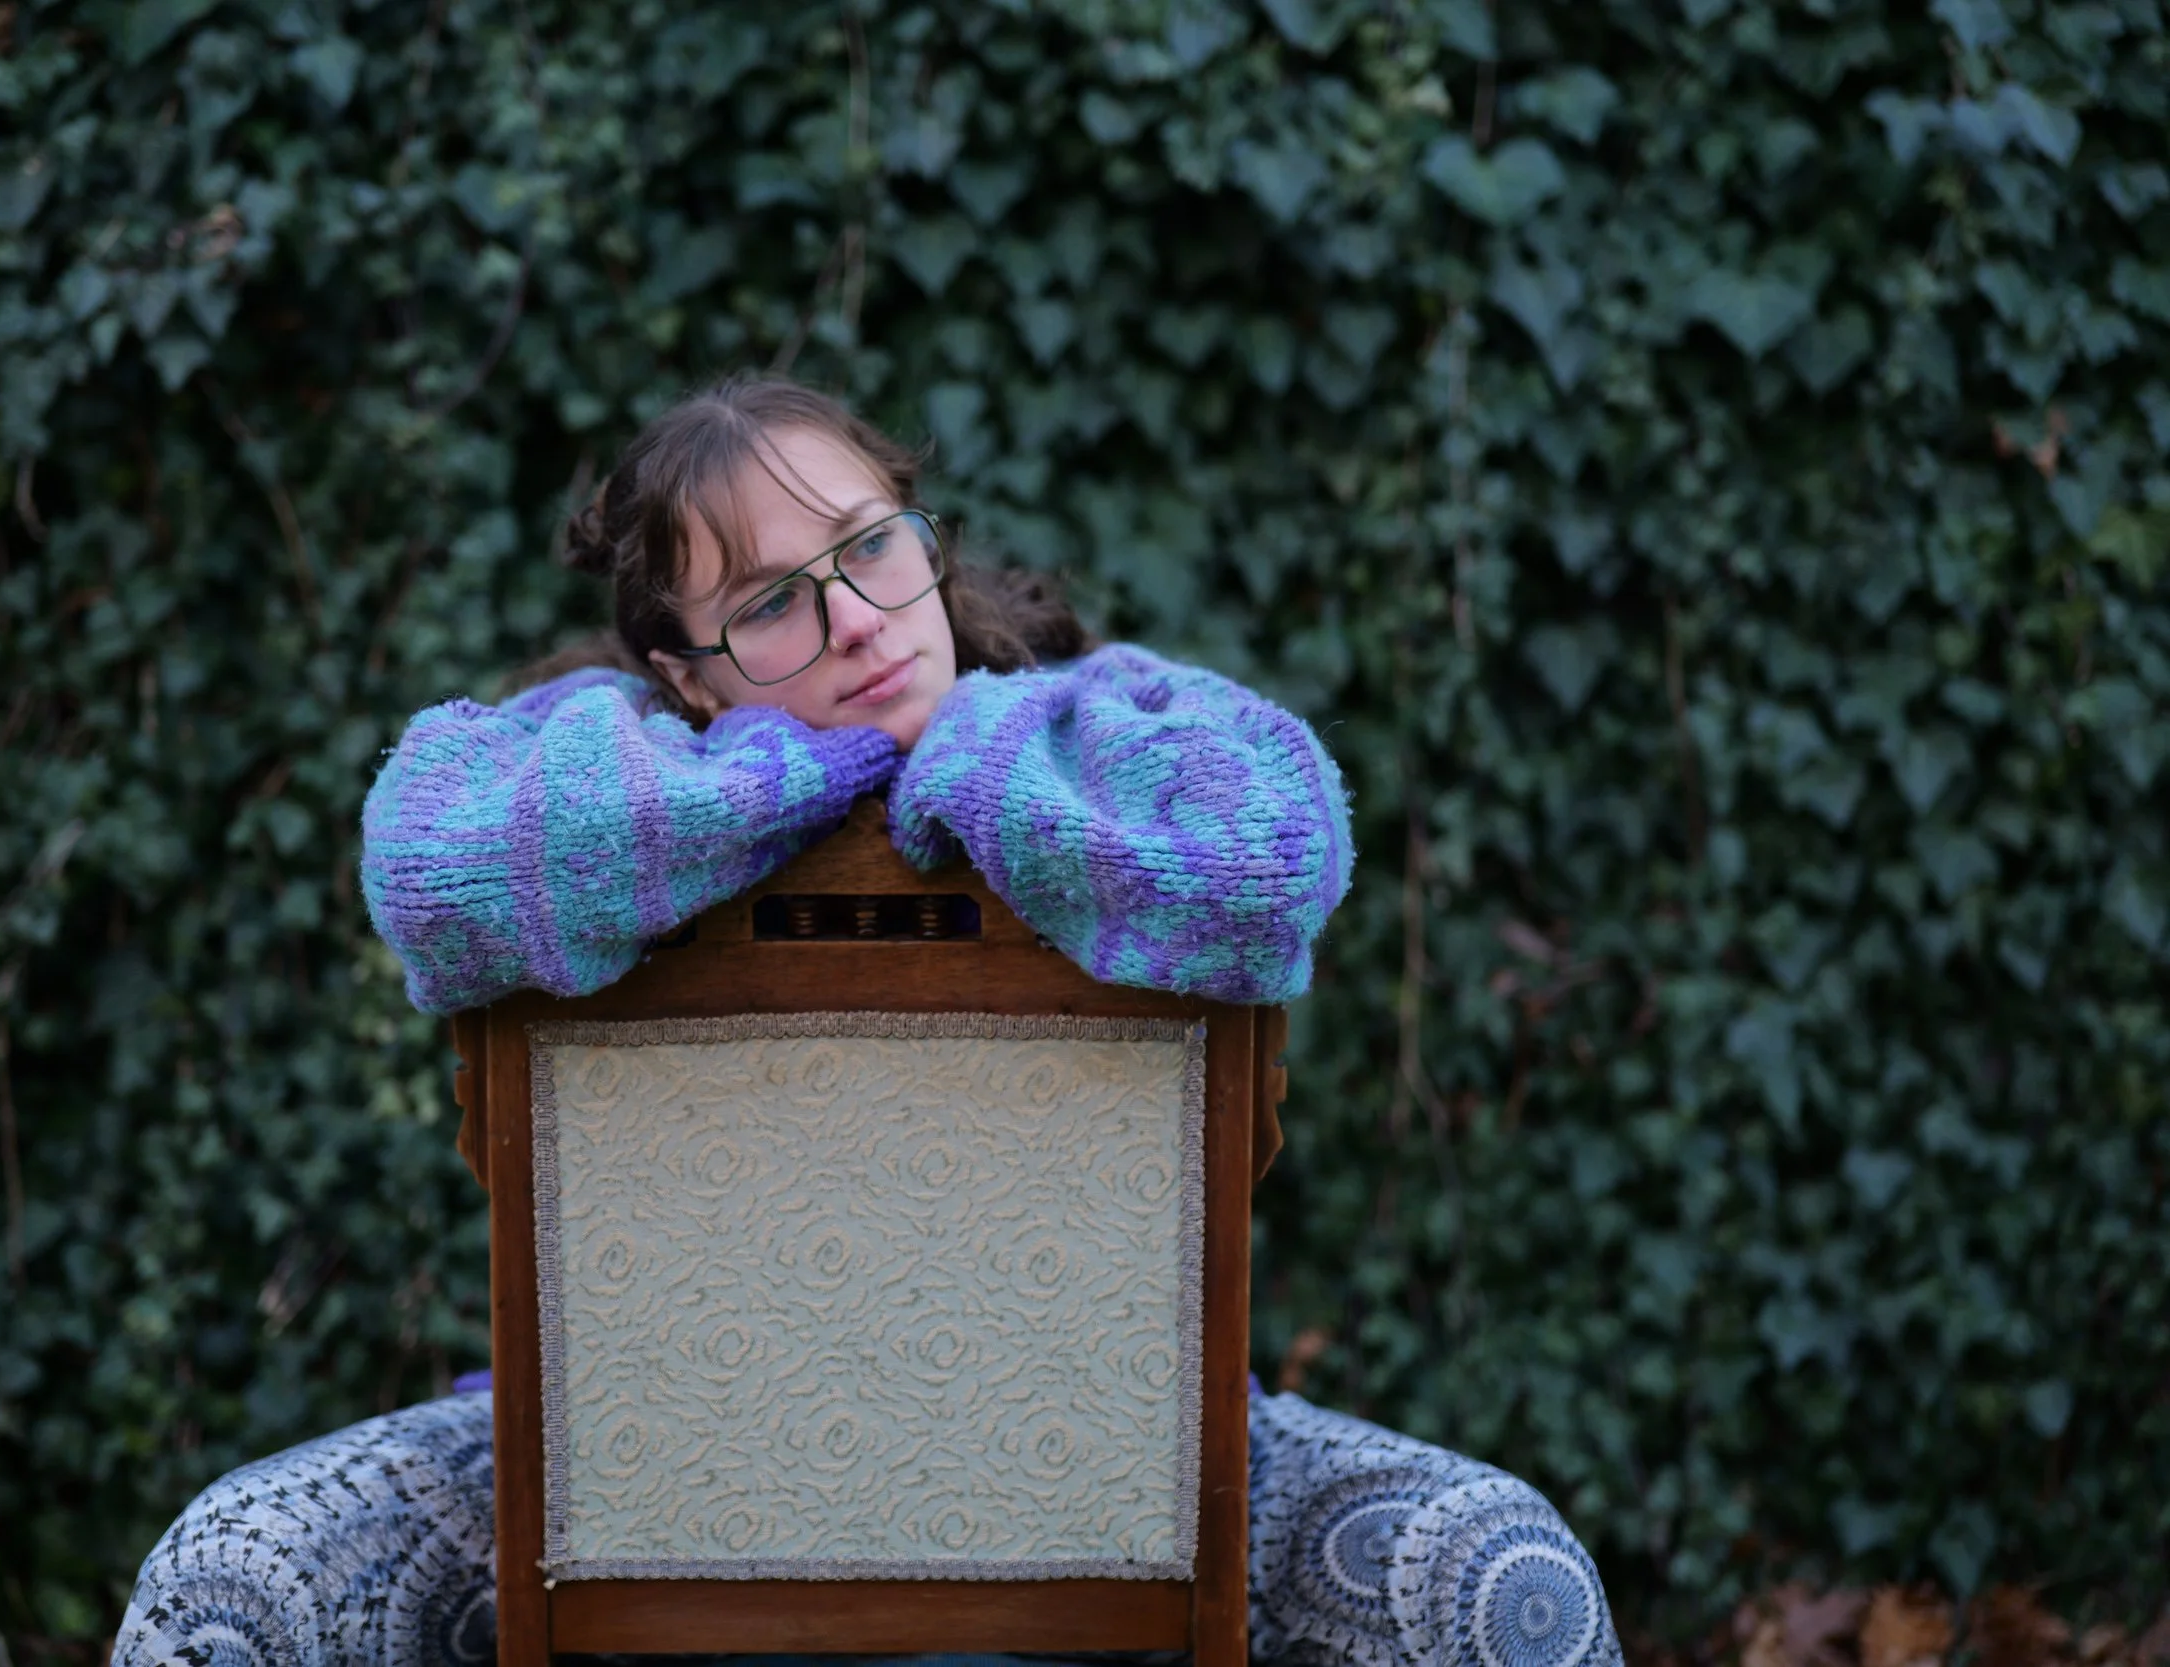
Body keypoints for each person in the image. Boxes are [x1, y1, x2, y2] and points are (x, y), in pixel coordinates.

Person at [115, 376, 1622, 1667]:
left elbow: (1274, 858)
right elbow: (431, 871)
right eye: (770, 604)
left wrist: (972, 753)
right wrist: (775, 785)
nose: (854, 621)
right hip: (632, 1454)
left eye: (871, 547)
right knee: (229, 1580)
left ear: (921, 534)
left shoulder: (1096, 722)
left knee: (1497, 1566)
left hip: (1137, 1441)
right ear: (680, 672)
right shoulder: (604, 771)